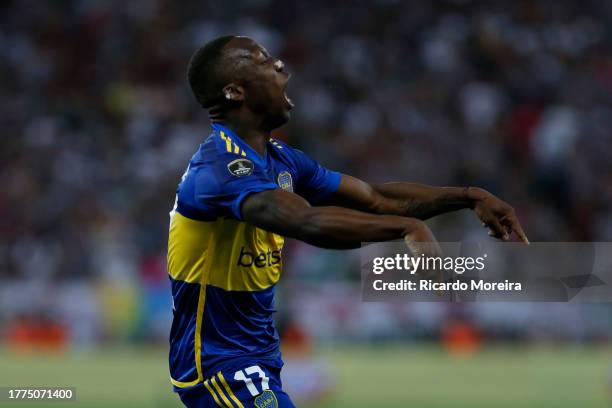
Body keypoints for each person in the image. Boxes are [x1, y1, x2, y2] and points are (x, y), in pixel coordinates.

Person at [167, 35, 528, 408]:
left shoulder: (282, 161)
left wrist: (469, 197)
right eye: (261, 61)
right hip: (218, 365)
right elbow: (305, 222)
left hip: (257, 357)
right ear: (233, 91)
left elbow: (377, 198)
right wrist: (405, 228)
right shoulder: (219, 168)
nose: (278, 66)